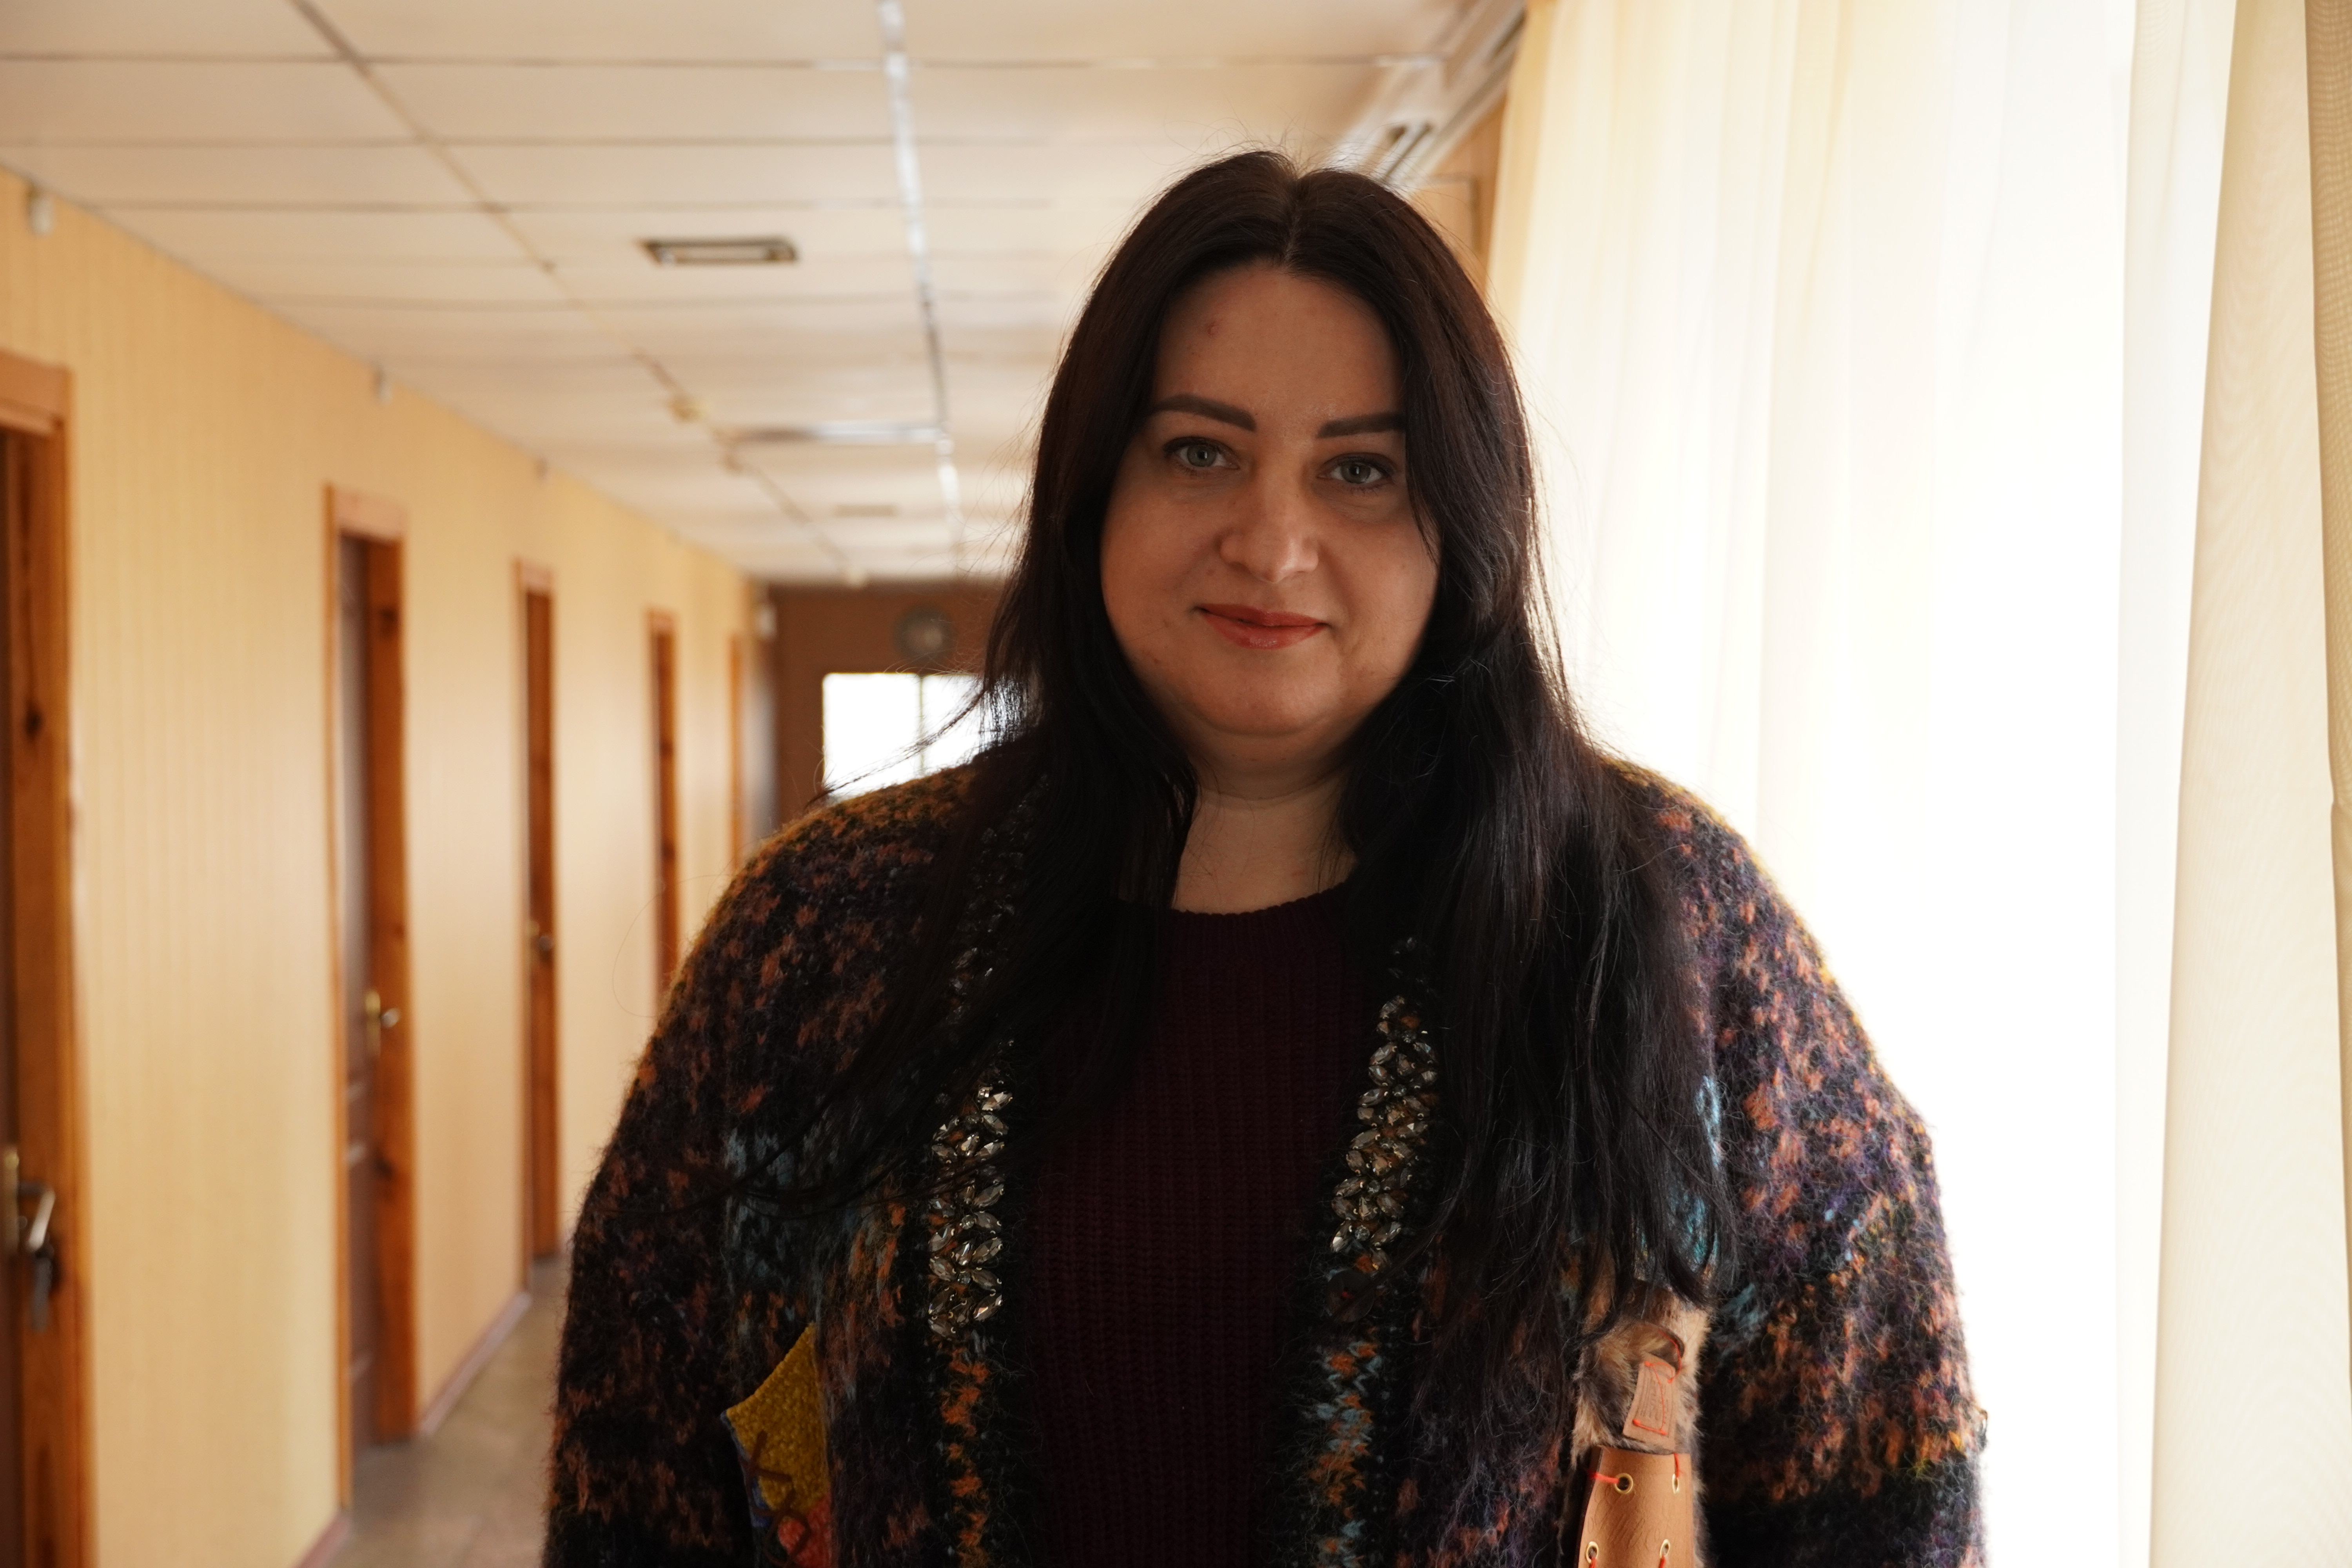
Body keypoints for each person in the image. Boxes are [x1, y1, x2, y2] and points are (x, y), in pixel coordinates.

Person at [546, 151, 1984, 1568]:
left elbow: (1884, 1494)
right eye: (1200, 452)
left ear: (1463, 520)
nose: (1273, 542)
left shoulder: (1663, 921)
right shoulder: (826, 934)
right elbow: (640, 1488)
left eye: (1361, 471)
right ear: (1094, 489)